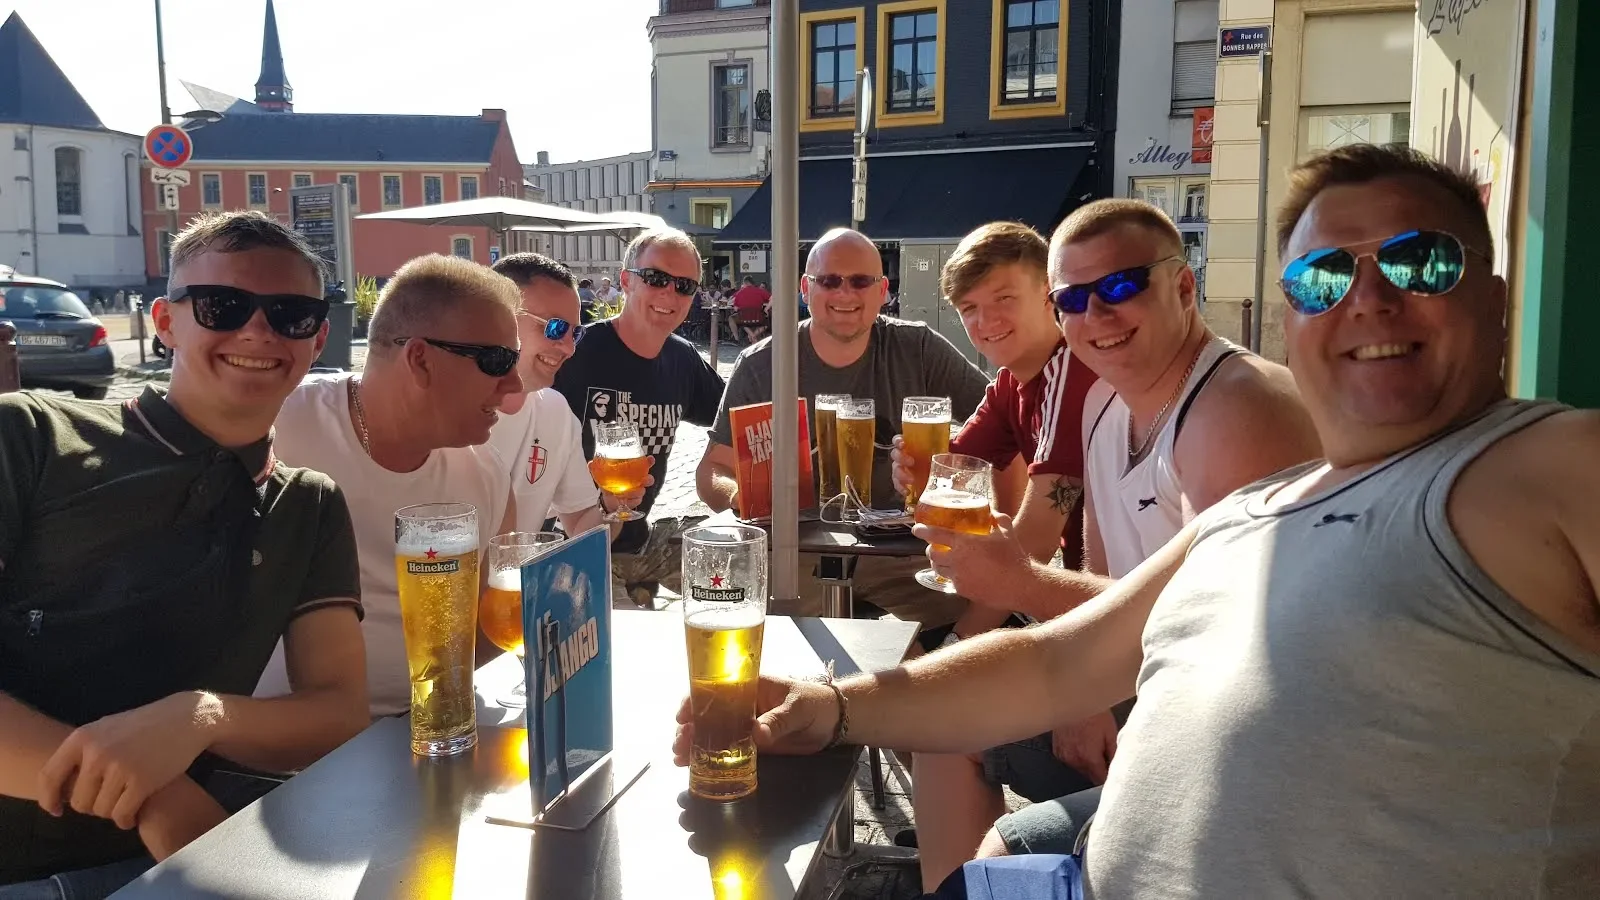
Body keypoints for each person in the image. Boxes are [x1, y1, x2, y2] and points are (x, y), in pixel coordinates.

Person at [675, 144, 1600, 897]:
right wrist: (832, 708)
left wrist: (1010, 581)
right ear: (1292, 308)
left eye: (1417, 260)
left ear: (1494, 291)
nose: (1366, 296)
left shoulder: (1544, 467)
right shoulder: (1257, 511)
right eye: (1323, 277)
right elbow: (1058, 660)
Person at [891, 203, 1322, 886]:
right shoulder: (1103, 402)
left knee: (1001, 830)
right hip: (1144, 689)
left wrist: (1024, 599)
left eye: (1121, 287)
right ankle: (950, 884)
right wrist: (1084, 691)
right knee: (946, 724)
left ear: (1184, 287)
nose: (1096, 316)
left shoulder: (1237, 410)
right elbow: (1099, 567)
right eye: (1075, 299)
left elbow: (1226, 636)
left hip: (1235, 748)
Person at [0, 211, 367, 894]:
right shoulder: (31, 434)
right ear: (167, 323)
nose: (258, 331)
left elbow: (338, 712)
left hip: (191, 858)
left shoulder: (307, 504)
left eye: (290, 314)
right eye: (222, 306)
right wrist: (150, 793)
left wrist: (201, 715)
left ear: (317, 339)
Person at [256, 254, 523, 718]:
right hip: (282, 756)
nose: (515, 386)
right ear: (419, 358)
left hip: (431, 734)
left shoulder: (485, 471)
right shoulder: (278, 425)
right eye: (497, 361)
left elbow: (489, 629)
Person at [695, 227, 989, 640]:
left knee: (987, 623)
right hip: (798, 548)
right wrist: (739, 496)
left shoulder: (917, 347)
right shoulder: (764, 363)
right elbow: (712, 469)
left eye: (860, 281)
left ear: (883, 289)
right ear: (805, 287)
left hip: (905, 551)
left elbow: (1001, 424)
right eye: (829, 280)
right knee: (761, 643)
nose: (845, 294)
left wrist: (947, 470)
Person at [554, 228, 725, 606]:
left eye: (685, 285)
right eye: (657, 279)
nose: (670, 293)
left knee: (746, 565)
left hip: (641, 539)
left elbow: (735, 416)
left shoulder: (682, 359)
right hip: (576, 546)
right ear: (626, 281)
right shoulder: (577, 352)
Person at [487, 252, 643, 541]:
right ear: (498, 318)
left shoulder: (555, 412)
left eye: (576, 333)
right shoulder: (444, 415)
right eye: (555, 327)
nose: (569, 348)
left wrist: (611, 505)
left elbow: (582, 525)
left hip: (517, 585)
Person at [731, 275, 771, 344]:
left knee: (740, 322)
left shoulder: (739, 293)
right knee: (766, 324)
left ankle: (751, 336)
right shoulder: (760, 291)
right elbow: (773, 298)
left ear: (744, 283)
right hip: (758, 318)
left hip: (744, 320)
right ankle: (754, 336)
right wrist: (766, 309)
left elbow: (735, 308)